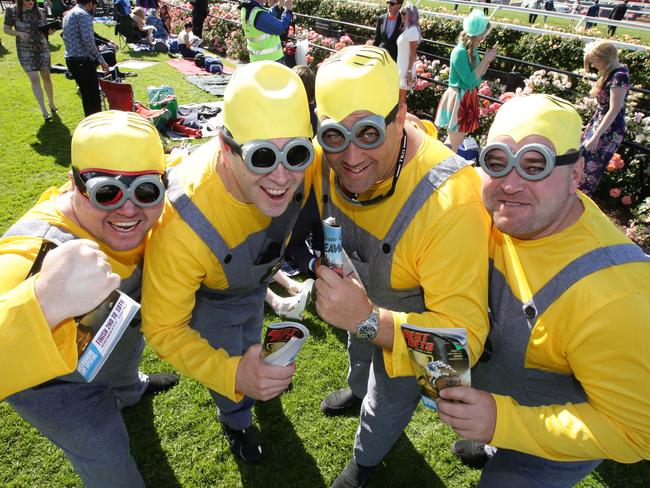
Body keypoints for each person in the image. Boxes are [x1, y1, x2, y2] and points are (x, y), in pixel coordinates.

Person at [431, 93, 650, 486]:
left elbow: (636, 431)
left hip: (558, 438)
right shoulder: (488, 210)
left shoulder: (617, 298)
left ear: (577, 173)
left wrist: (501, 420)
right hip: (504, 390)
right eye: (497, 161)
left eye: (536, 165)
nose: (511, 184)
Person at [311, 45, 490, 488]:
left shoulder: (452, 201)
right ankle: (356, 386)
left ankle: (365, 463)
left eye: (369, 133)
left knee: (388, 397)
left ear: (401, 113)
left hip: (406, 328)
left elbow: (460, 348)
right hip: (357, 301)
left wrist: (370, 322)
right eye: (335, 136)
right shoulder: (321, 161)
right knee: (357, 354)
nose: (351, 158)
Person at [141, 61, 314, 464]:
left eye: (297, 154)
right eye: (262, 157)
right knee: (227, 360)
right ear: (225, 146)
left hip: (256, 286)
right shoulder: (180, 221)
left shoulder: (308, 163)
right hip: (211, 300)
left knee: (252, 340)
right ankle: (236, 420)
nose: (283, 176)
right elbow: (163, 328)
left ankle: (258, 376)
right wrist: (235, 375)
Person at [2, 110, 179, 487]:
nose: (128, 209)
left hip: (112, 345)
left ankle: (131, 390)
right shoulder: (32, 250)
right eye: (107, 191)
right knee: (108, 455)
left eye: (146, 190)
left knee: (125, 361)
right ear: (74, 185)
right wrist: (43, 300)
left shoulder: (153, 209)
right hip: (55, 386)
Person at [435, 10, 498, 153]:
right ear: (474, 34)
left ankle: (440, 164)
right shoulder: (460, 52)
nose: (483, 38)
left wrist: (487, 62)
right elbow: (469, 80)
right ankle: (441, 166)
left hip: (467, 96)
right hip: (460, 98)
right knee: (454, 142)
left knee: (455, 141)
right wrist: (486, 60)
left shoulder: (472, 50)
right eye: (482, 35)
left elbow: (476, 79)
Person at [579, 40, 629, 196]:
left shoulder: (619, 76)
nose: (594, 65)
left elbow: (614, 110)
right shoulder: (612, 74)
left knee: (589, 169)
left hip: (608, 131)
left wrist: (595, 136)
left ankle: (579, 203)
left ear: (604, 59)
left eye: (594, 61)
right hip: (600, 125)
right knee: (581, 163)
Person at [3, 0, 57, 121]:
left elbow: (45, 31)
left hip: (42, 48)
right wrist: (19, 33)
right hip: (25, 50)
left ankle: (51, 103)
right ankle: (43, 110)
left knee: (46, 77)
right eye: (27, 0)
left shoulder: (41, 12)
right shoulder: (12, 11)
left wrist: (50, 32)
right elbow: (6, 28)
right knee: (34, 79)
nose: (31, 2)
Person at [62, 0, 110, 117]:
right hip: (82, 60)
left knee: (86, 95)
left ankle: (89, 123)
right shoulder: (83, 15)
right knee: (93, 97)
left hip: (71, 59)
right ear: (90, 3)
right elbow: (88, 41)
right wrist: (102, 61)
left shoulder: (68, 14)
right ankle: (96, 124)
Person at [396, 4, 421, 106]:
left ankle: (399, 121)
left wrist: (409, 71)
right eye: (401, 12)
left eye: (404, 13)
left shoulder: (413, 30)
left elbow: (412, 52)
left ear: (411, 15)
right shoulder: (407, 29)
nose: (401, 15)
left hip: (405, 69)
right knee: (397, 99)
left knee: (401, 101)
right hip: (400, 67)